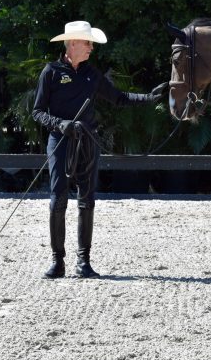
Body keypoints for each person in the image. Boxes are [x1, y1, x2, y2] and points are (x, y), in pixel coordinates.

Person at [32, 20, 166, 279]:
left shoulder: (92, 74)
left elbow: (119, 98)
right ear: (72, 43)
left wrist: (151, 97)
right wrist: (60, 124)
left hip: (87, 141)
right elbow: (37, 112)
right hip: (60, 140)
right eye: (87, 42)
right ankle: (57, 261)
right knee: (58, 199)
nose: (91, 47)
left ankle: (84, 262)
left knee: (87, 199)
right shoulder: (50, 72)